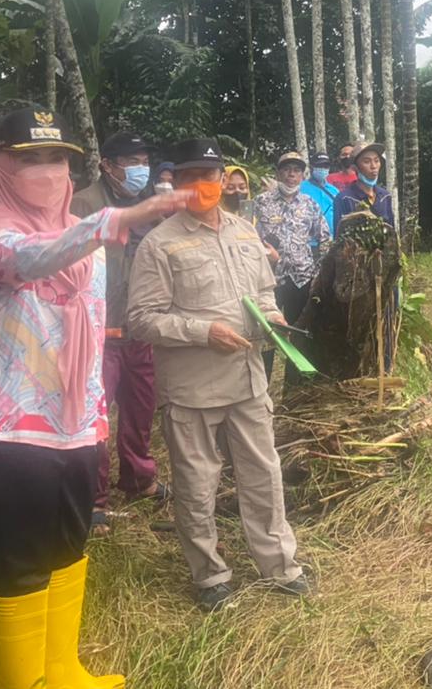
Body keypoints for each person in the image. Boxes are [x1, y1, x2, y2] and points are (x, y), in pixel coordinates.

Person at [0, 108, 180, 689]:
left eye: (57, 157)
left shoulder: (86, 239)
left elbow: (90, 315)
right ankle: (22, 682)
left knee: (68, 549)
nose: (48, 170)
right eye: (29, 157)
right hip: (11, 428)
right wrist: (113, 218)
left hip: (76, 422)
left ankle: (62, 670)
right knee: (22, 563)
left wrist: (95, 412)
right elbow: (31, 259)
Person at [128, 137, 309, 612]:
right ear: (175, 182)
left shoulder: (245, 232)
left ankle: (279, 565)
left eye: (209, 176)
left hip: (248, 378)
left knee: (263, 473)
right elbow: (141, 319)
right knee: (196, 481)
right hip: (192, 386)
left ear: (222, 177)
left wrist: (273, 317)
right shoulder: (159, 243)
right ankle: (209, 574)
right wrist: (202, 331)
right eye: (190, 177)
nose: (202, 185)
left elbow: (265, 294)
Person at [71, 131, 169, 532]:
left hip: (140, 327)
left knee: (140, 410)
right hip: (98, 332)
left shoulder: (150, 207)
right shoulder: (83, 204)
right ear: (106, 166)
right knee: (96, 418)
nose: (138, 168)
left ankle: (138, 477)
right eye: (129, 162)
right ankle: (93, 498)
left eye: (143, 159)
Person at [256, 152, 332, 382]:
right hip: (269, 279)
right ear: (279, 173)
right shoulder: (262, 202)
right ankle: (261, 385)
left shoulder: (310, 204)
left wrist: (317, 273)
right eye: (287, 169)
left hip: (301, 278)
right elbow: (246, 235)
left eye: (297, 170)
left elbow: (324, 239)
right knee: (265, 332)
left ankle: (294, 389)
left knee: (299, 334)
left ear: (302, 175)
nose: (292, 174)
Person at [334, 141, 396, 231]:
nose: (373, 166)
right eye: (366, 162)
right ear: (355, 167)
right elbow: (339, 237)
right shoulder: (344, 199)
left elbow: (392, 233)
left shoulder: (385, 196)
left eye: (376, 161)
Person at [301, 152, 339, 236]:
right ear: (311, 167)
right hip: (308, 241)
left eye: (325, 166)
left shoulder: (334, 191)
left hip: (330, 240)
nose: (322, 169)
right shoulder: (300, 188)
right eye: (319, 166)